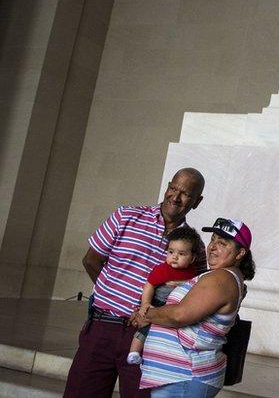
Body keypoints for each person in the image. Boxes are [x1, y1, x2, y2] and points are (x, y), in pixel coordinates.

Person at [63, 167, 207, 398]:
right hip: (103, 327)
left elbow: (195, 294)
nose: (175, 197)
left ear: (197, 201)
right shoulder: (126, 216)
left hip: (148, 338)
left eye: (185, 194)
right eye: (173, 188)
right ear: (167, 186)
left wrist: (151, 313)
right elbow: (91, 260)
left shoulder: (194, 246)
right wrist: (114, 295)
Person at [136, 217, 256, 397]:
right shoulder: (222, 276)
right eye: (213, 239)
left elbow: (179, 315)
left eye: (222, 243)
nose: (212, 247)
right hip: (181, 377)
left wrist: (145, 313)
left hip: (185, 376)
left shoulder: (221, 278)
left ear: (240, 254)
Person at [127, 226, 204, 365]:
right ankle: (134, 352)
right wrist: (145, 303)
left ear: (192, 258)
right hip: (158, 303)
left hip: (177, 308)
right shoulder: (162, 269)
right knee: (145, 327)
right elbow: (149, 285)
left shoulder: (193, 272)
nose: (174, 256)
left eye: (181, 254)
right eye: (171, 252)